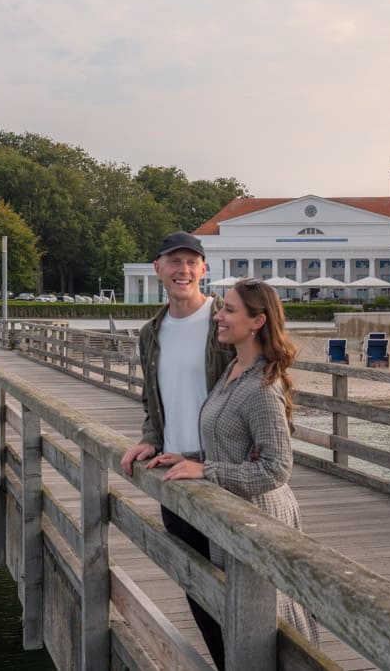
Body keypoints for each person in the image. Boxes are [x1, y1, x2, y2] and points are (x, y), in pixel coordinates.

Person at [146, 278, 321, 653]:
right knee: (238, 624)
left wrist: (207, 471)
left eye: (228, 309)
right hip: (234, 514)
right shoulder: (232, 371)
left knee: (268, 631)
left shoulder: (261, 387)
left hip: (259, 516)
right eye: (221, 308)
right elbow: (231, 442)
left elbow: (276, 469)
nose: (218, 317)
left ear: (257, 321)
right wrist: (192, 458)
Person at [120, 231, 234, 669]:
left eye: (191, 262)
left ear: (204, 269)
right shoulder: (151, 332)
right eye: (174, 262)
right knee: (197, 587)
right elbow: (153, 399)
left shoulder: (224, 323)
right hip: (174, 475)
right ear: (158, 269)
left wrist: (208, 462)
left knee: (239, 587)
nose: (182, 270)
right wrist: (150, 438)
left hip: (220, 475)